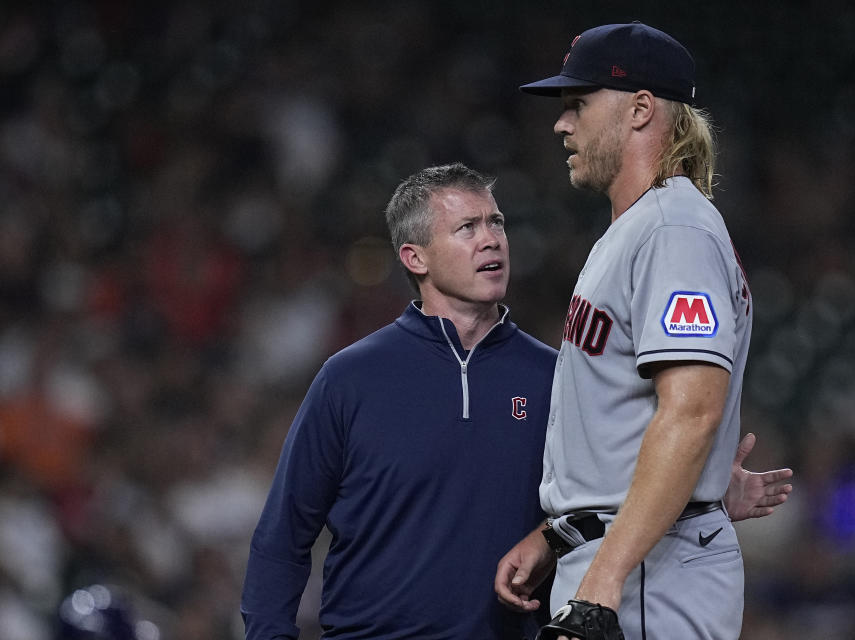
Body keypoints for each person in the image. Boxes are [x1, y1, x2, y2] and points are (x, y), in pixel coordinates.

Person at [240, 163, 789, 639]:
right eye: (467, 228)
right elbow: (283, 535)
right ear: (415, 257)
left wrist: (703, 488)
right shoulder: (350, 379)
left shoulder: (561, 375)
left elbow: (604, 498)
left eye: (496, 222)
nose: (492, 239)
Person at [495, 23, 786, 640]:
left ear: (641, 109)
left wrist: (604, 580)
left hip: (645, 578)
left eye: (578, 103)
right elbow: (632, 422)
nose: (561, 123)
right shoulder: (642, 229)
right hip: (629, 559)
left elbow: (692, 413)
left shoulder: (671, 231)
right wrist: (558, 537)